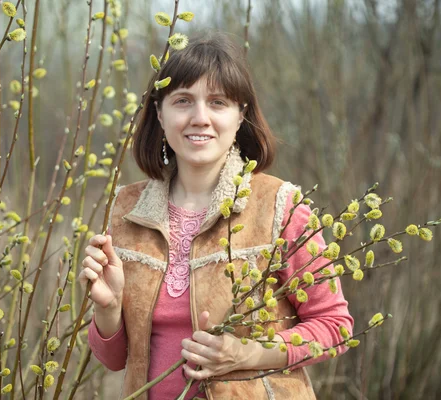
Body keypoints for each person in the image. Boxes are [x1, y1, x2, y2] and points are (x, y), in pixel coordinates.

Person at [79, 33, 354, 400]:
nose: (200, 118)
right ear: (160, 114)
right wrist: (109, 308)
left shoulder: (280, 207)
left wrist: (247, 353)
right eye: (183, 101)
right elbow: (115, 360)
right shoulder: (127, 211)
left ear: (240, 115)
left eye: (218, 102)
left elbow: (336, 326)